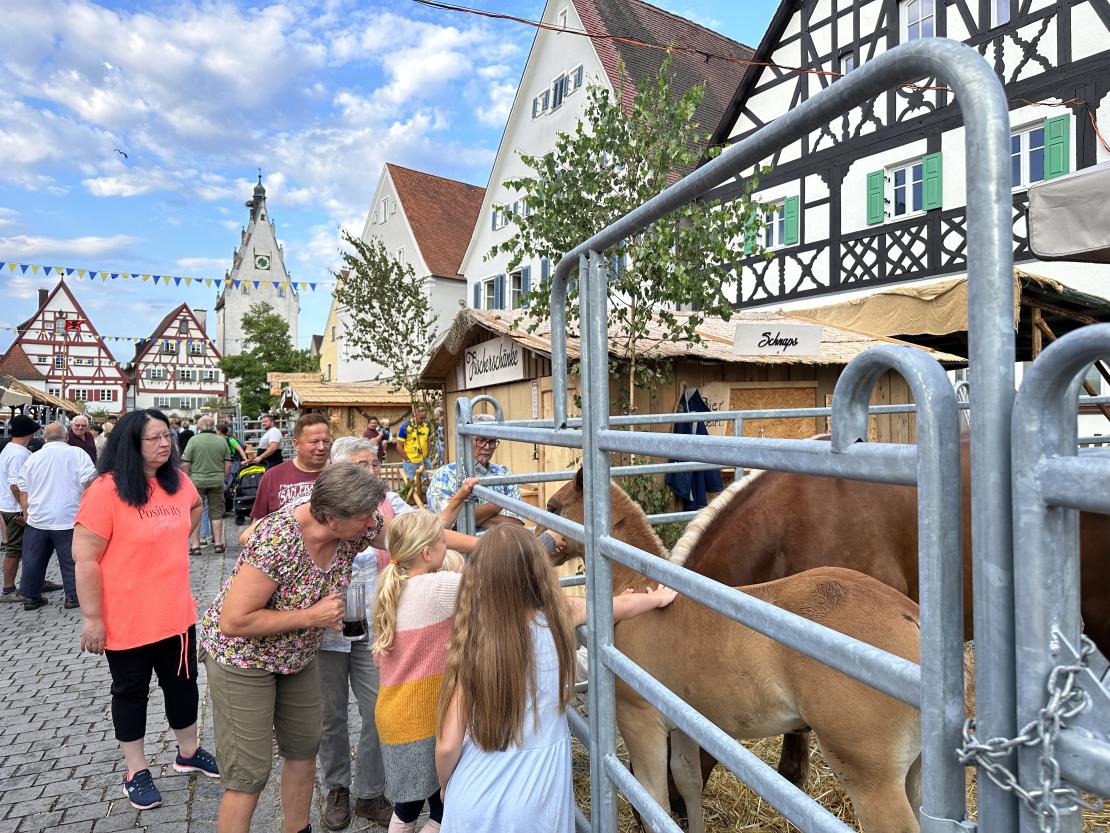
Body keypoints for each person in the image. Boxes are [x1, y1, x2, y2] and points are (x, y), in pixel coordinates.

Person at [434, 525, 677, 832]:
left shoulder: (472, 643)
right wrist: (656, 599)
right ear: (538, 571)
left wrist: (446, 786)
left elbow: (446, 746)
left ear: (477, 578)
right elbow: (621, 606)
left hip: (473, 798)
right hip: (537, 800)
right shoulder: (560, 613)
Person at [199, 463, 389, 833]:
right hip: (243, 658)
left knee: (303, 750)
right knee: (248, 774)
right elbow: (234, 621)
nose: (373, 524)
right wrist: (310, 616)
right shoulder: (280, 538)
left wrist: (480, 548)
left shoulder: (355, 526)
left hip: (296, 657)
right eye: (367, 518)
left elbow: (407, 538)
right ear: (331, 519)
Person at [73, 409, 217, 811]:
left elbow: (194, 509)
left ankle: (188, 751)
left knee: (183, 687)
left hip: (176, 614)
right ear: (130, 444)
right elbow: (84, 559)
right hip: (127, 619)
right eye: (154, 438)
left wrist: (171, 542)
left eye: (167, 437)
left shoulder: (178, 481)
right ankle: (135, 771)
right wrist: (92, 619)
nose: (164, 444)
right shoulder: (106, 490)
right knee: (131, 693)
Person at [316, 441, 396, 831]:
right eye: (358, 465)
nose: (369, 471)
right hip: (325, 635)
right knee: (330, 717)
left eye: (372, 464)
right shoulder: (320, 509)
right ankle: (337, 789)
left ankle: (369, 791)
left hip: (372, 626)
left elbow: (415, 537)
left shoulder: (383, 508)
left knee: (379, 709)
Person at [370, 510, 454, 833]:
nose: (447, 544)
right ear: (428, 553)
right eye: (444, 540)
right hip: (424, 721)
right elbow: (492, 581)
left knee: (408, 807)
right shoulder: (439, 587)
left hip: (395, 719)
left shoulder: (388, 589)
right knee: (443, 808)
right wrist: (543, 542)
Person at [17, 421, 98, 610]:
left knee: (32, 559)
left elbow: (22, 489)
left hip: (38, 517)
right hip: (69, 516)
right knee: (72, 559)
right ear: (66, 436)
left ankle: (30, 597)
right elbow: (90, 482)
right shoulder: (77, 454)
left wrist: (26, 513)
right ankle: (73, 596)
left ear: (44, 438)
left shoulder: (33, 458)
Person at [239, 414, 331, 547]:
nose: (322, 447)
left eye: (326, 441)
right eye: (314, 442)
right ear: (296, 444)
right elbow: (258, 523)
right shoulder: (273, 476)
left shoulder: (341, 475)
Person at [427, 414, 525, 532]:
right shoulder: (445, 475)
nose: (487, 446)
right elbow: (447, 524)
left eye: (492, 441)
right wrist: (500, 504)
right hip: (458, 550)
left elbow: (516, 524)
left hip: (500, 548)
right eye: (481, 440)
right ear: (467, 441)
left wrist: (466, 515)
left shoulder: (503, 473)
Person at [0, 415, 48, 603]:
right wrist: (24, 510)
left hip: (10, 506)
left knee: (30, 547)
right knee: (15, 549)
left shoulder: (9, 450)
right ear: (30, 432)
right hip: (15, 508)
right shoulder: (19, 453)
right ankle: (8, 588)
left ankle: (35, 581)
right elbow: (15, 486)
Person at [182, 415, 232, 555]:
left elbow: (186, 463)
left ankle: (196, 546)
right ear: (213, 426)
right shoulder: (221, 441)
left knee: (195, 512)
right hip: (217, 481)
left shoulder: (194, 440)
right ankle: (218, 544)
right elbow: (228, 463)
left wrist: (187, 478)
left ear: (199, 426)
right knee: (216, 512)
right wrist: (223, 477)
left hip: (197, 482)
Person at [395, 409, 431, 481]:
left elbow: (427, 440)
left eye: (425, 418)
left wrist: (427, 455)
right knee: (413, 485)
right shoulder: (405, 427)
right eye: (421, 418)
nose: (424, 420)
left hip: (424, 460)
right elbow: (399, 446)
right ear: (415, 415)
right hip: (411, 462)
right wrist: (407, 460)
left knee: (428, 482)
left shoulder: (426, 425)